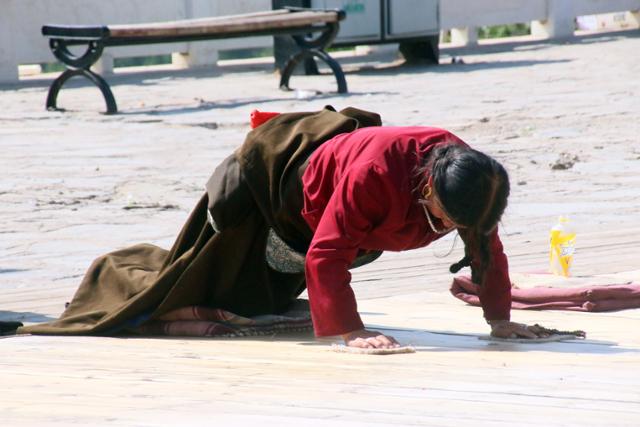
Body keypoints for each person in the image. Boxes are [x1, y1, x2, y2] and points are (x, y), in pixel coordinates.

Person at [18, 106, 549, 347]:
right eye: (444, 219)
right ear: (428, 187)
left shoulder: (471, 178)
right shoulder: (375, 176)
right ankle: (117, 275)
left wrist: (499, 320)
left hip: (324, 214)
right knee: (208, 282)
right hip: (274, 185)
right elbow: (326, 254)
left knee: (255, 300)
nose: (448, 229)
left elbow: (486, 246)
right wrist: (351, 330)